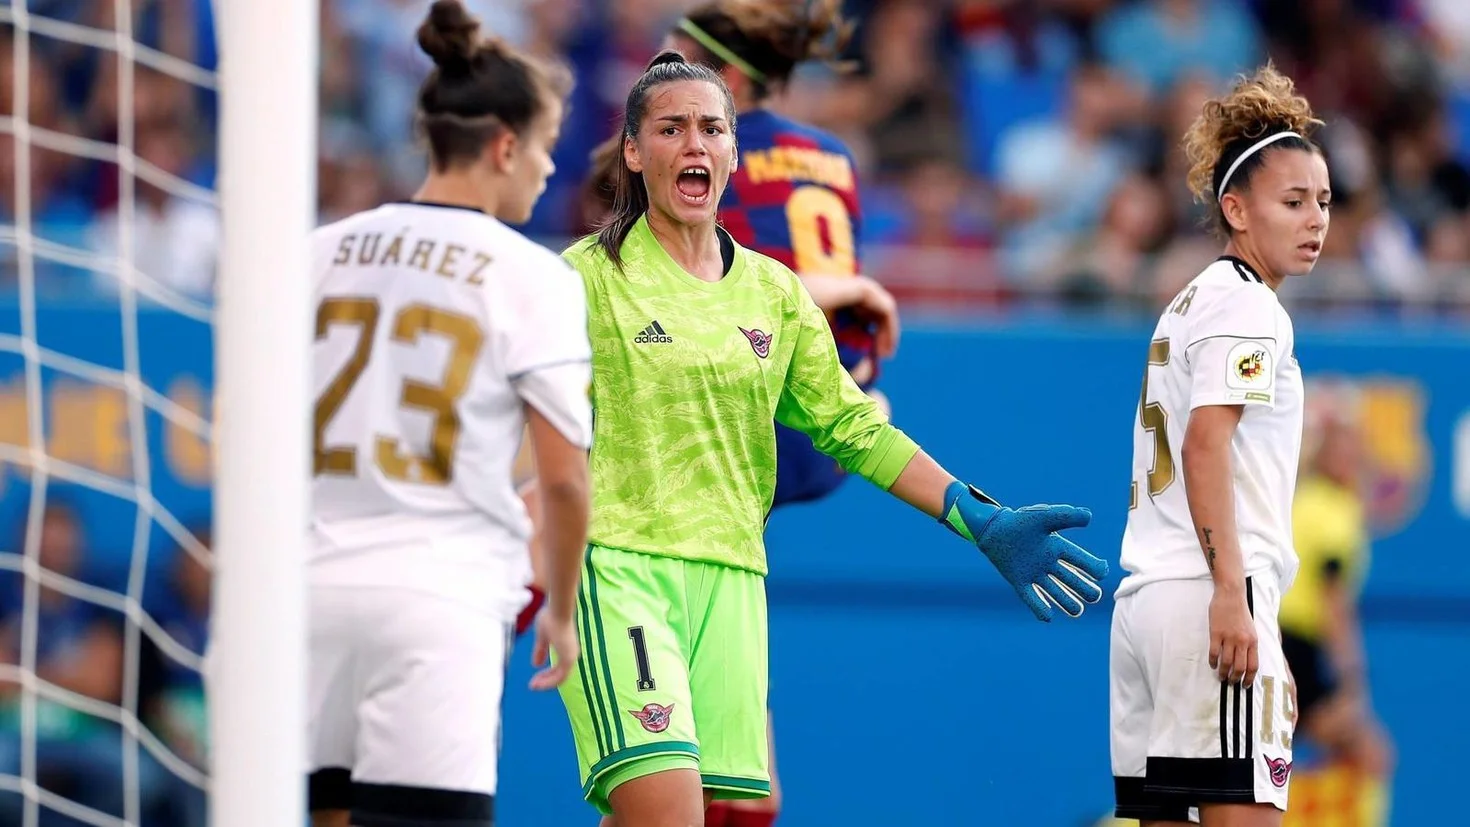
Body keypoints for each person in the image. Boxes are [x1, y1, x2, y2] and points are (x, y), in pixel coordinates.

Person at [554, 51, 1108, 827]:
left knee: (731, 810)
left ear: (733, 153)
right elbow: (519, 419)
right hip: (619, 570)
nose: (694, 144)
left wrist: (978, 515)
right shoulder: (581, 280)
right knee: (668, 811)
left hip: (732, 579)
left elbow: (854, 428)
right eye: (671, 128)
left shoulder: (774, 293)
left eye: (712, 128)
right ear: (636, 153)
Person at [304, 3, 592, 826]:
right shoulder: (530, 274)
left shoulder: (318, 250)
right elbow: (566, 480)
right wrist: (563, 611)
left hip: (303, 591)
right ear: (504, 145)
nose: (546, 170)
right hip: (439, 597)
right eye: (542, 148)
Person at [1108, 63, 1329, 826]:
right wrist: (1236, 599)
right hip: (1208, 596)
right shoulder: (1250, 307)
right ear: (1235, 208)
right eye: (1293, 201)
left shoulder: (1190, 299)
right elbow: (1206, 446)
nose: (1315, 219)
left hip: (1145, 603)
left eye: (1323, 202)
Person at [1279, 381, 1393, 824]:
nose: (1349, 458)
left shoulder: (1306, 500)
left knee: (1258, 755)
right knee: (1371, 755)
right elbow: (1334, 604)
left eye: (1354, 448)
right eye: (1341, 449)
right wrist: (1352, 679)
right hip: (1295, 649)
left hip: (1279, 642)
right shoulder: (1335, 513)